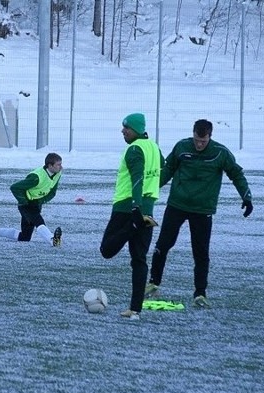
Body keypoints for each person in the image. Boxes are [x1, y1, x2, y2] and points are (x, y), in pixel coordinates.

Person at [144, 119, 253, 308]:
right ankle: (153, 284)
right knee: (163, 244)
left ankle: (200, 294)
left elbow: (236, 174)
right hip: (177, 204)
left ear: (210, 136)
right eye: (196, 140)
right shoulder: (182, 147)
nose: (199, 144)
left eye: (203, 141)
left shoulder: (220, 152)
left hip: (202, 210)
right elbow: (168, 170)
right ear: (192, 134)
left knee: (200, 252)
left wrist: (246, 196)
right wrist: (150, 191)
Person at [99, 113, 164, 321]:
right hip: (148, 209)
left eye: (126, 127)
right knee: (139, 260)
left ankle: (133, 227)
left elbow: (137, 179)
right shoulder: (153, 147)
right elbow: (162, 169)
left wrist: (136, 207)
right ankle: (135, 309)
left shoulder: (134, 149)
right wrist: (148, 201)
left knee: (107, 250)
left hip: (127, 208)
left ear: (136, 129)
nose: (122, 131)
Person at [0, 152, 63, 246]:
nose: (61, 167)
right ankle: (52, 240)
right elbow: (15, 187)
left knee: (25, 237)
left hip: (36, 204)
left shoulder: (57, 173)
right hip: (27, 205)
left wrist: (41, 201)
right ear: (50, 165)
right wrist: (24, 202)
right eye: (58, 164)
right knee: (39, 221)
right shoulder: (36, 177)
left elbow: (52, 192)